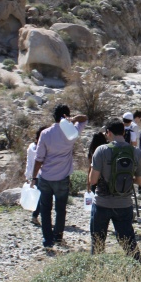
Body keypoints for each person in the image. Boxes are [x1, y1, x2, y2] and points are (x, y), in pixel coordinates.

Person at [89, 118, 141, 262]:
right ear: (123, 132)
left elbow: (93, 180)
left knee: (98, 242)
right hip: (124, 204)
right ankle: (137, 269)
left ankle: (97, 272)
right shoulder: (136, 152)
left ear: (108, 133)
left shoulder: (101, 150)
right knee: (127, 241)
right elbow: (140, 182)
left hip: (101, 203)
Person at [31, 104, 87, 248]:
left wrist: (33, 177)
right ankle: (58, 236)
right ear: (65, 116)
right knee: (60, 209)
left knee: (45, 209)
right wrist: (72, 119)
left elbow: (39, 159)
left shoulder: (45, 133)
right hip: (62, 177)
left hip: (46, 177)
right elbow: (84, 119)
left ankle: (47, 240)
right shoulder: (72, 133)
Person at [25, 126, 47, 226]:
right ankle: (35, 216)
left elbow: (28, 163)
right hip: (38, 175)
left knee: (40, 197)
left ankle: (37, 215)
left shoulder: (31, 147)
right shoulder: (37, 148)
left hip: (33, 175)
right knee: (41, 197)